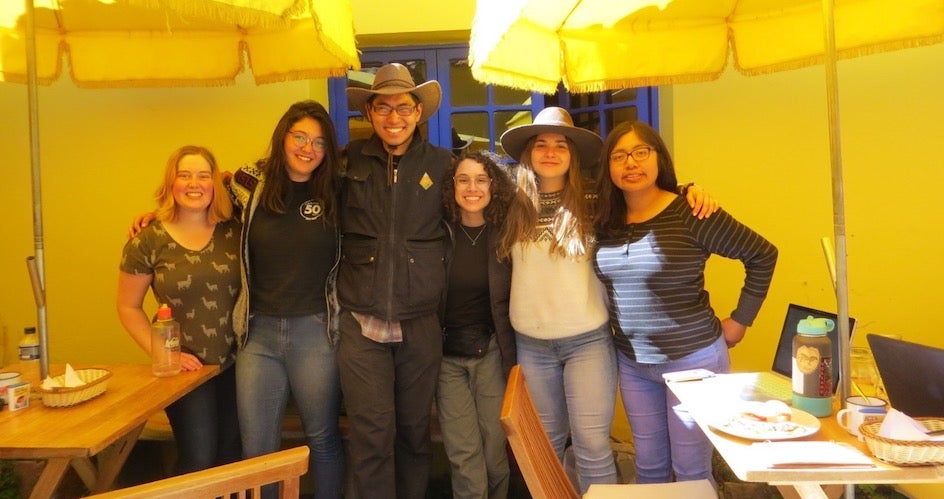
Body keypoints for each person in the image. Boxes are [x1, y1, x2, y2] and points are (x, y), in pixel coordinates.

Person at [496, 107, 717, 493]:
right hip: (531, 346)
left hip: (587, 343)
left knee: (592, 446)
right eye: (541, 144)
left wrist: (687, 190)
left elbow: (643, 195)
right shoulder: (510, 204)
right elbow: (467, 193)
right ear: (528, 153)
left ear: (573, 154)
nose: (550, 152)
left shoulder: (595, 202)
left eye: (560, 144)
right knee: (546, 445)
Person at [592, 120, 778, 484]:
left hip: (694, 362)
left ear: (659, 157)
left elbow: (762, 254)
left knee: (691, 470)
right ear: (608, 168)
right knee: (649, 466)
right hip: (633, 364)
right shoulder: (604, 219)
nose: (631, 163)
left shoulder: (692, 213)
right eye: (619, 156)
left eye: (640, 152)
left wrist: (741, 320)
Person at [337, 62, 453, 498]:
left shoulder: (444, 165)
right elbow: (287, 188)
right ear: (369, 113)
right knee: (371, 434)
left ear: (418, 112)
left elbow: (493, 205)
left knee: (413, 432)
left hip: (421, 323)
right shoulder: (345, 162)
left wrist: (679, 188)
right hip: (361, 323)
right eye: (383, 107)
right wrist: (216, 183)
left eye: (403, 107)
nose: (394, 117)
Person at [228, 101, 345, 499]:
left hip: (315, 332)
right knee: (257, 448)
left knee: (322, 437)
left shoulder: (337, 189)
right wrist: (152, 217)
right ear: (283, 137)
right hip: (258, 335)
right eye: (300, 137)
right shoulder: (248, 181)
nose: (308, 148)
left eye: (319, 142)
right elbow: (203, 209)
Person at [117, 145, 242, 475]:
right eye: (184, 175)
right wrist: (163, 353)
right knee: (198, 458)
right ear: (171, 183)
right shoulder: (147, 239)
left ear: (215, 184)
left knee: (232, 457)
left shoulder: (236, 231)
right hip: (187, 370)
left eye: (203, 175)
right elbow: (128, 307)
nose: (194, 183)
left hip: (239, 362)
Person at [437, 150, 517, 499]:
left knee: (495, 451)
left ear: (493, 186)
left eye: (481, 179)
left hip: (492, 352)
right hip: (445, 358)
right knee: (463, 453)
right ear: (451, 186)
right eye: (463, 179)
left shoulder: (508, 235)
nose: (472, 188)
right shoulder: (437, 234)